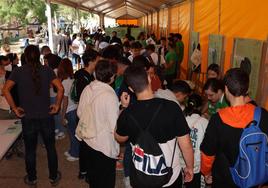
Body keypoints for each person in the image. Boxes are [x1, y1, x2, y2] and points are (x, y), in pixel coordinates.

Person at [115, 64, 194, 188]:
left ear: (130, 88)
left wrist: (123, 107)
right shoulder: (172, 107)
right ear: (149, 78)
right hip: (169, 175)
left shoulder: (128, 113)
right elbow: (186, 145)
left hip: (141, 175)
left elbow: (120, 138)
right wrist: (189, 167)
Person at [2, 45, 63, 186]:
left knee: (30, 150)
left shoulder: (18, 71)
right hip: (46, 117)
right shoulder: (47, 70)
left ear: (25, 56)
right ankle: (53, 177)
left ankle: (32, 178)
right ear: (39, 56)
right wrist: (57, 105)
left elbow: (5, 90)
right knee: (50, 148)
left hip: (28, 118)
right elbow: (60, 88)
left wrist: (15, 108)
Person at [200, 68, 268, 187]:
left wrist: (206, 172)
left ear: (226, 89)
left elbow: (207, 154)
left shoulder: (218, 119)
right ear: (246, 89)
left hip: (225, 178)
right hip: (253, 178)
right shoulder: (263, 114)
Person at [77, 60, 119, 188]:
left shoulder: (88, 88)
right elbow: (114, 126)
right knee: (105, 181)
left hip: (88, 141)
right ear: (111, 76)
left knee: (94, 179)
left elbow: (80, 113)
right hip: (103, 146)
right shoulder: (109, 95)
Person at [74, 49, 100, 180]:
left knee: (85, 144)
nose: (99, 62)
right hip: (85, 116)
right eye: (97, 60)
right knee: (87, 144)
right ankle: (85, 171)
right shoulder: (83, 78)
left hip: (85, 115)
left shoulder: (85, 75)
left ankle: (84, 170)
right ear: (91, 61)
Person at [180, 94, 208, 188]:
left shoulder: (181, 119)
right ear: (200, 107)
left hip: (180, 163)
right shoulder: (204, 122)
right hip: (196, 165)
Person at [57, 58, 79, 161]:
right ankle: (72, 150)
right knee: (73, 132)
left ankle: (75, 154)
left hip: (69, 110)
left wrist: (62, 115)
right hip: (75, 108)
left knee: (72, 133)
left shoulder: (65, 82)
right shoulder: (72, 79)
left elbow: (65, 101)